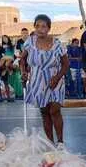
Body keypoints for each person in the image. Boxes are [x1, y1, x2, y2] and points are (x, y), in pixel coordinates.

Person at [21, 14, 69, 145]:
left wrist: (57, 77)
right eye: (37, 26)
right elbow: (22, 59)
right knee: (44, 112)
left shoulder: (57, 44)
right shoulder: (30, 42)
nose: (40, 29)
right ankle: (50, 143)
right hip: (37, 81)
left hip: (55, 79)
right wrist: (24, 72)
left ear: (49, 28)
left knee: (54, 109)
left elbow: (66, 64)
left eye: (43, 26)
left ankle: (60, 142)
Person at [0, 35, 16, 101]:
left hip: (10, 57)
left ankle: (7, 70)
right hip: (5, 57)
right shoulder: (1, 46)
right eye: (3, 39)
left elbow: (13, 53)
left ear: (8, 38)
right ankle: (7, 70)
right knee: (0, 64)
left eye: (5, 38)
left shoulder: (11, 45)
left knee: (6, 63)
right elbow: (1, 53)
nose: (4, 40)